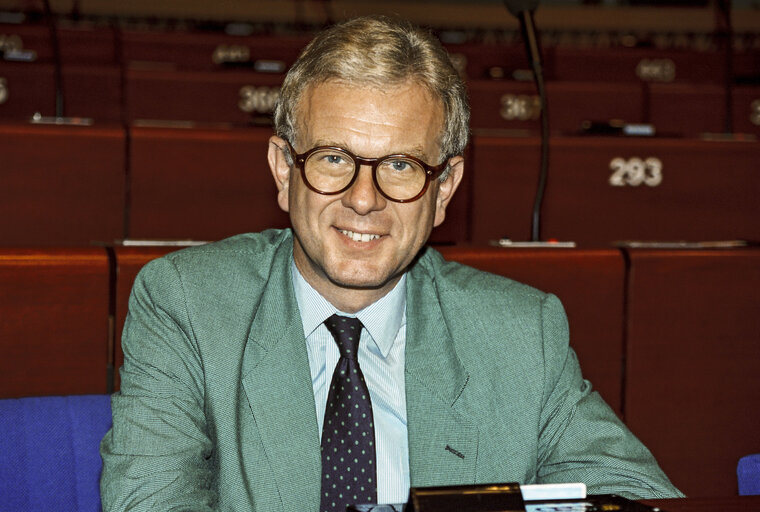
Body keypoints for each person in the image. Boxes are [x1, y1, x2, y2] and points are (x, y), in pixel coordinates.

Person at [100, 15, 682, 512]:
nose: (363, 198)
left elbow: (633, 495)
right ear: (284, 170)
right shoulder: (187, 305)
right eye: (333, 158)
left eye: (400, 165)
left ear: (446, 187)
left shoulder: (519, 334)